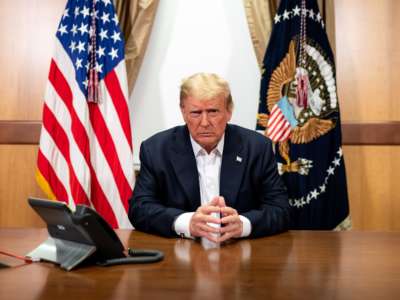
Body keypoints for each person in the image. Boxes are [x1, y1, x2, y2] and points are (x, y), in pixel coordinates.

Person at [129, 73, 290, 243]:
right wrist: (186, 222)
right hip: (181, 255)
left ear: (229, 111)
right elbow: (140, 209)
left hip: (239, 253)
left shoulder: (257, 148)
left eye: (213, 111)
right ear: (183, 112)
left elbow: (280, 209)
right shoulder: (156, 149)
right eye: (196, 113)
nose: (205, 122)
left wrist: (243, 224)